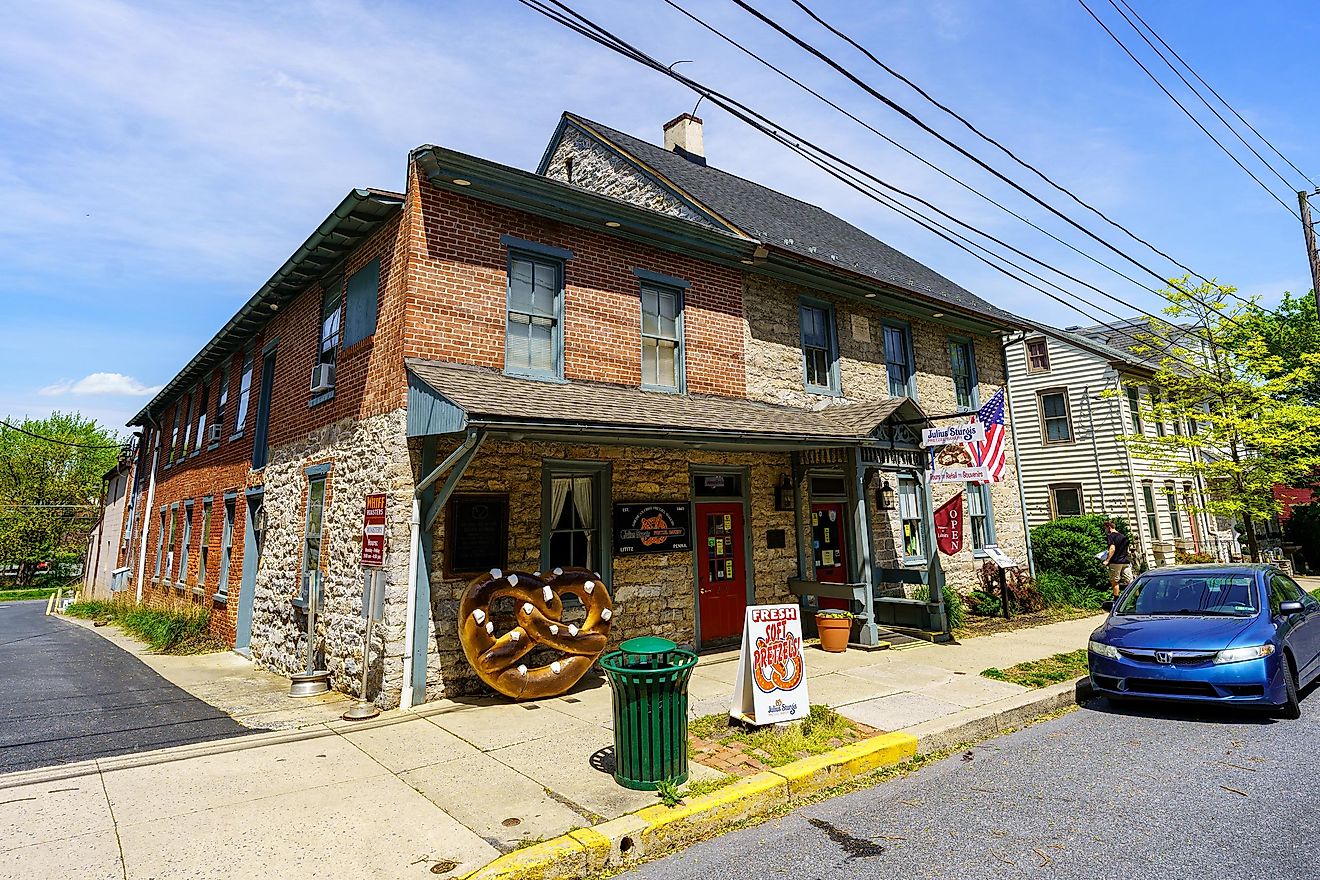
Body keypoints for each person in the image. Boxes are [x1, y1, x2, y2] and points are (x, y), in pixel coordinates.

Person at [1103, 521, 1132, 597]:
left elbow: (1112, 549)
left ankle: (1116, 600)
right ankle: (1134, 598)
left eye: (1105, 528)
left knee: (1115, 581)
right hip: (1125, 562)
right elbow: (1127, 550)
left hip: (1115, 562)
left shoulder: (1111, 536)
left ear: (1109, 527)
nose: (1105, 530)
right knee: (1129, 581)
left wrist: (1107, 560)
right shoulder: (1123, 536)